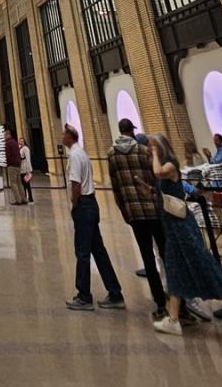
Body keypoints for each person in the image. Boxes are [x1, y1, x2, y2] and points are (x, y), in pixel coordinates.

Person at [147, 132, 222, 340]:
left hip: (182, 227)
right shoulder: (164, 167)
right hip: (172, 228)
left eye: (152, 147)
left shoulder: (169, 165)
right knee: (174, 270)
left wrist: (153, 153)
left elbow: (159, 172)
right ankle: (173, 319)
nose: (150, 151)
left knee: (205, 268)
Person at [108, 117, 168, 318]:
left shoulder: (112, 155)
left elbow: (116, 187)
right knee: (166, 254)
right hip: (153, 210)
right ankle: (179, 301)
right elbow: (156, 179)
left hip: (134, 212)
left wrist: (124, 210)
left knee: (147, 257)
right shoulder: (144, 151)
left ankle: (159, 302)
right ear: (132, 131)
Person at [61, 124, 124, 312]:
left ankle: (84, 296)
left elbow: (76, 184)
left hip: (84, 205)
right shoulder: (83, 154)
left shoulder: (74, 155)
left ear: (69, 137)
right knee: (99, 251)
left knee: (82, 252)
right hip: (91, 204)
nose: (61, 137)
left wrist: (74, 204)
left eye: (63, 134)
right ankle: (115, 293)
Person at [4, 127, 25, 205]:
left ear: (7, 135)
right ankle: (23, 198)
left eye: (4, 135)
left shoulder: (7, 143)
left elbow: (7, 155)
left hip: (12, 165)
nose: (4, 137)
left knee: (13, 183)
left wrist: (7, 163)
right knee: (19, 182)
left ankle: (18, 200)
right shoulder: (15, 142)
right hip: (18, 165)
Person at [19, 136, 33, 203]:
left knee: (27, 184)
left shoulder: (26, 149)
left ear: (24, 142)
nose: (21, 142)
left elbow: (28, 159)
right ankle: (24, 197)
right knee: (23, 184)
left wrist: (28, 169)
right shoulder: (20, 148)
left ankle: (30, 198)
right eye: (20, 141)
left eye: (22, 141)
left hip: (25, 168)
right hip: (21, 168)